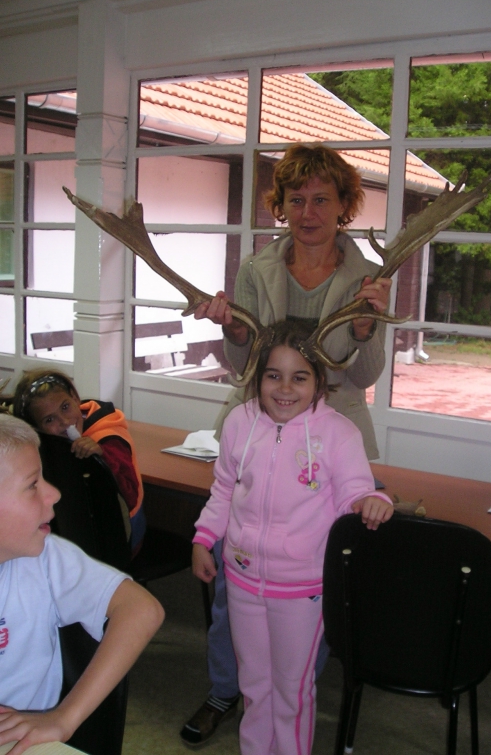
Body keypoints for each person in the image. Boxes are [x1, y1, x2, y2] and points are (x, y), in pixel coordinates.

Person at [181, 143, 392, 746]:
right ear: (282, 206)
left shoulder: (367, 279)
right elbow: (244, 365)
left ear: (344, 205)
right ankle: (229, 689)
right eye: (296, 199)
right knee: (236, 581)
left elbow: (365, 373)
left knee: (312, 576)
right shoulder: (257, 268)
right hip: (258, 426)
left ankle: (292, 693)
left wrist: (365, 328)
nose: (308, 212)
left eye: (321, 199)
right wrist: (234, 329)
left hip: (327, 437)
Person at [192, 322, 393, 755]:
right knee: (254, 685)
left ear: (319, 381)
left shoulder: (339, 433)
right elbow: (224, 488)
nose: (285, 389)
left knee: (291, 691)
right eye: (273, 375)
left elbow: (354, 494)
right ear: (258, 376)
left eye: (299, 377)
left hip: (302, 589)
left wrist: (373, 501)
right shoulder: (239, 422)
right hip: (242, 577)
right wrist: (204, 538)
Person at [0, 414, 164, 755]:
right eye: (32, 485)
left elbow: (142, 610)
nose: (54, 493)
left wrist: (65, 717)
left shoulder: (45, 558)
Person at [12, 369, 146, 554]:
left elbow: (130, 495)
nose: (65, 421)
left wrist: (103, 457)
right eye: (49, 419)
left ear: (75, 399)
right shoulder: (46, 445)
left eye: (65, 407)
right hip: (74, 531)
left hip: (123, 536)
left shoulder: (109, 437)